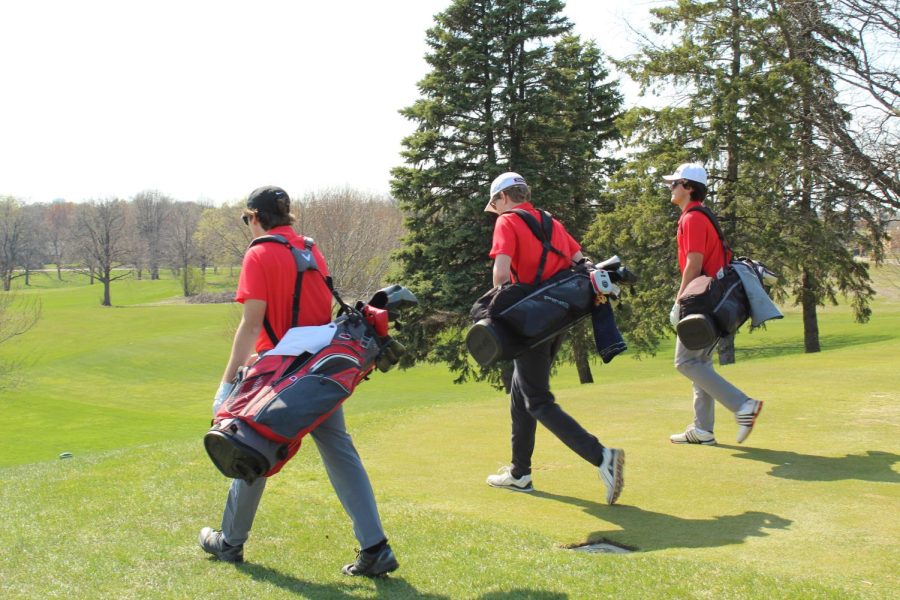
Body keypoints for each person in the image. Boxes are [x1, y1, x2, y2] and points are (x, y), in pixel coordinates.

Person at [198, 186, 398, 577]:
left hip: (280, 378)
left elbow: (250, 322)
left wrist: (225, 385)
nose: (247, 226)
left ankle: (230, 542)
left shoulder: (259, 253)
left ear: (256, 217)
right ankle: (375, 547)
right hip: (320, 370)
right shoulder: (310, 248)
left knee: (251, 445)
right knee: (340, 453)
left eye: (246, 219)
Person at [482, 172, 625, 505]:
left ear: (504, 197)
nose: (496, 210)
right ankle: (520, 474)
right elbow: (580, 260)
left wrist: (492, 312)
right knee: (521, 394)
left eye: (495, 203)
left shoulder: (507, 222)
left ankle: (602, 456)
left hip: (527, 322)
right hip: (558, 318)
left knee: (537, 401)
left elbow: (501, 275)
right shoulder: (551, 222)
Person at [664, 163, 764, 446]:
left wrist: (679, 299)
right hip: (713, 298)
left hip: (701, 300)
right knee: (700, 363)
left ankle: (743, 405)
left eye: (675, 183)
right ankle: (703, 429)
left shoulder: (692, 219)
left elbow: (694, 263)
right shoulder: (701, 216)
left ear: (689, 187)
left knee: (685, 362)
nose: (670, 188)